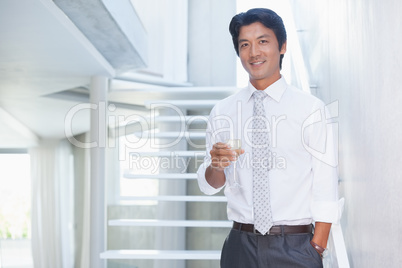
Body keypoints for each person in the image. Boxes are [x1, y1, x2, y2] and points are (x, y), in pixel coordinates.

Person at [196, 8, 340, 268]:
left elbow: (325, 184)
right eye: (245, 44)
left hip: (296, 248)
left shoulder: (311, 109)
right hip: (240, 246)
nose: (254, 53)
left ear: (282, 46)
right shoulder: (223, 111)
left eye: (263, 41)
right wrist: (215, 165)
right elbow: (209, 185)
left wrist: (317, 247)